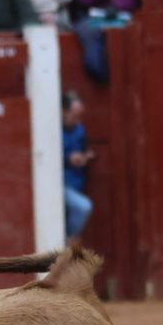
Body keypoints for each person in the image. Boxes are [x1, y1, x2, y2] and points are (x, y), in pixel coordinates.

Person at [62, 92, 93, 239]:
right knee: (83, 207)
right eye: (74, 116)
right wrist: (68, 160)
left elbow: (85, 150)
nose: (77, 121)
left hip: (76, 183)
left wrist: (86, 157)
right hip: (60, 185)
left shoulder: (79, 129)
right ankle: (67, 239)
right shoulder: (52, 130)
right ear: (63, 112)